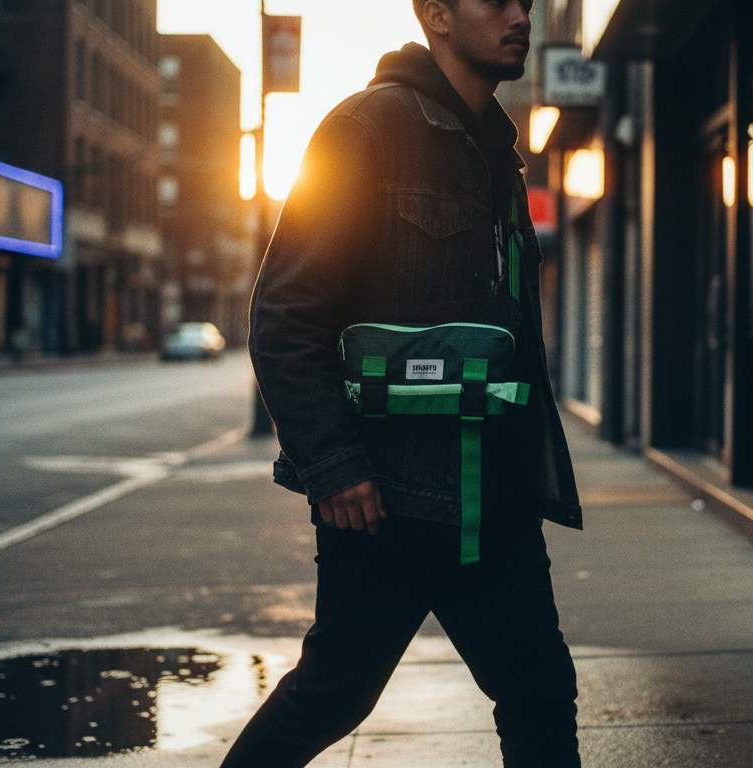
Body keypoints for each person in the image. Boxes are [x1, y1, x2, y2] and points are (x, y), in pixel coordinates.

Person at [225, 0, 582, 765]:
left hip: (495, 500)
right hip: (388, 501)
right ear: (439, 16)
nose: (520, 15)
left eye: (527, 2)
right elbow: (284, 315)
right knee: (335, 693)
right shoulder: (364, 130)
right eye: (499, 2)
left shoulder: (500, 156)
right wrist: (335, 467)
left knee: (540, 691)